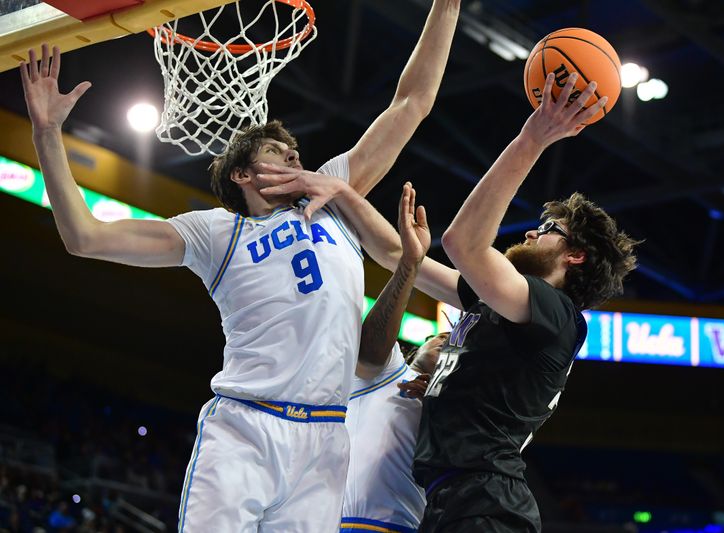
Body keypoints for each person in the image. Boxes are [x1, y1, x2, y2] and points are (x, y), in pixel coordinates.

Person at [18, 1, 461, 530]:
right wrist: (46, 134)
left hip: (325, 439)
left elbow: (412, 102)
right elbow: (84, 238)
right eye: (281, 152)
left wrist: (447, 6)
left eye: (297, 153)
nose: (298, 160)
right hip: (246, 429)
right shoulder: (216, 233)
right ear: (245, 176)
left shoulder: (333, 200)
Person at [257, 71, 640, 533]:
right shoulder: (500, 304)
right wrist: (342, 192)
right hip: (451, 501)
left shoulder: (556, 316)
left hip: (487, 503)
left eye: (550, 229)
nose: (532, 231)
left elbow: (463, 241)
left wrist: (532, 138)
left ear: (575, 255)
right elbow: (397, 254)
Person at [341, 183, 449, 533]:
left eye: (458, 345)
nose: (449, 342)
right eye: (444, 336)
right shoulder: (387, 375)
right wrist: (409, 265)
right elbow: (371, 348)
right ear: (419, 347)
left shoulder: (454, 410)